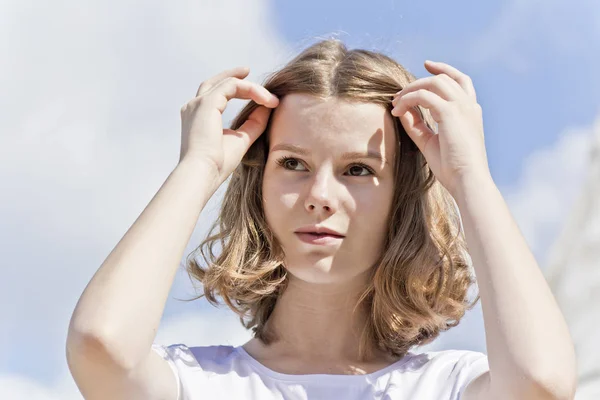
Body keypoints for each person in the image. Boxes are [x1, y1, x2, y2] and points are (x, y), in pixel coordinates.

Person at [66, 39, 577, 400]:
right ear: (258, 181)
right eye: (293, 163)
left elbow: (541, 383)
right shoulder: (194, 383)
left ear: (402, 198)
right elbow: (102, 345)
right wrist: (198, 167)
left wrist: (470, 177)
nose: (320, 196)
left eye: (358, 169)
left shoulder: (448, 387)